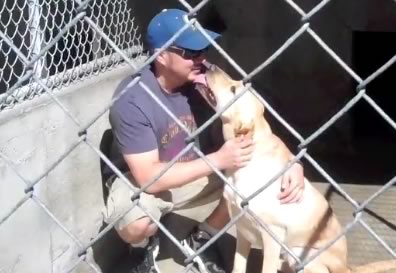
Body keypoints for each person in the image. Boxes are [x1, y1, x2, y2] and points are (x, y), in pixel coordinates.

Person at [102, 8, 305, 273]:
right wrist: (218, 159)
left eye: (203, 49)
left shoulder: (207, 77)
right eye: (190, 52)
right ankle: (145, 249)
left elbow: (253, 122)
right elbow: (147, 177)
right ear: (161, 55)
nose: (201, 58)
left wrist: (291, 162)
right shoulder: (133, 99)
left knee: (264, 180)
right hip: (142, 180)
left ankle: (203, 236)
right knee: (137, 224)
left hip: (195, 170)